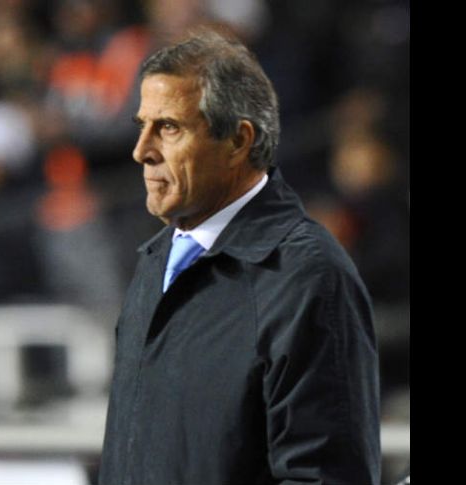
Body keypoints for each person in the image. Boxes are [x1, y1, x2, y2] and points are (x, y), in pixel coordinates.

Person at [98, 28, 381, 485]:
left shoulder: (306, 275)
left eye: (168, 128)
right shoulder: (156, 261)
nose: (141, 151)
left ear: (237, 141)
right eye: (141, 126)